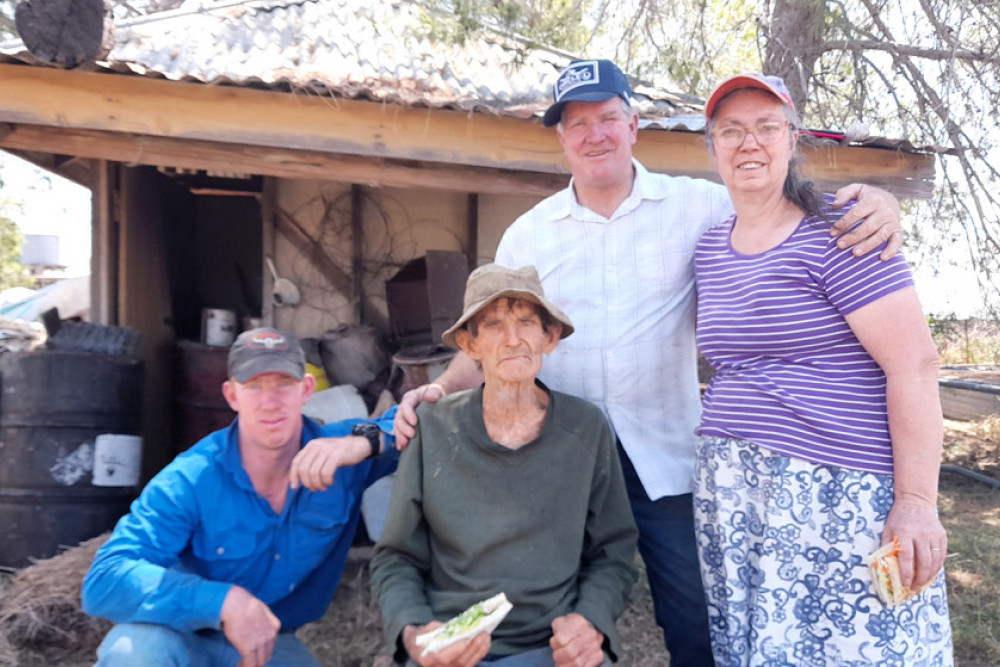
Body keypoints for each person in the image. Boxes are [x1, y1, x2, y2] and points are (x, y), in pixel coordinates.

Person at [392, 59, 906, 666]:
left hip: (668, 458)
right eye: (577, 123)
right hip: (560, 463)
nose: (595, 134)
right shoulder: (529, 236)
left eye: (608, 117)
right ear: (561, 138)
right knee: (550, 616)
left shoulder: (700, 208)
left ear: (634, 125)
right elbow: (496, 341)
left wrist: (873, 202)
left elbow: (778, 208)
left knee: (696, 620)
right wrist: (439, 390)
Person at [693, 73, 953, 665]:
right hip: (736, 498)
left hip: (836, 493)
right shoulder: (709, 245)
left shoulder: (843, 229)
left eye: (766, 127)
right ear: (712, 147)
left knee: (860, 649)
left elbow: (914, 364)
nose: (748, 143)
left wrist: (916, 501)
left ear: (792, 140)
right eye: (731, 131)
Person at [371, 264, 638, 667]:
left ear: (548, 338)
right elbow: (395, 557)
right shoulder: (434, 427)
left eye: (527, 322)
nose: (513, 339)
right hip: (452, 644)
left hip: (549, 647)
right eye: (493, 325)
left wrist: (590, 622)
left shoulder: (585, 429)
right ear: (470, 344)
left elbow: (613, 552)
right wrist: (414, 632)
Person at [82, 327, 398, 667]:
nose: (270, 401)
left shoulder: (339, 453)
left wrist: (366, 442)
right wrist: (222, 602)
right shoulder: (191, 477)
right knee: (135, 651)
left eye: (283, 384)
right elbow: (105, 579)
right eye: (254, 386)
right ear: (232, 395)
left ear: (306, 389)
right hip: (180, 636)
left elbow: (425, 419)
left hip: (269, 646)